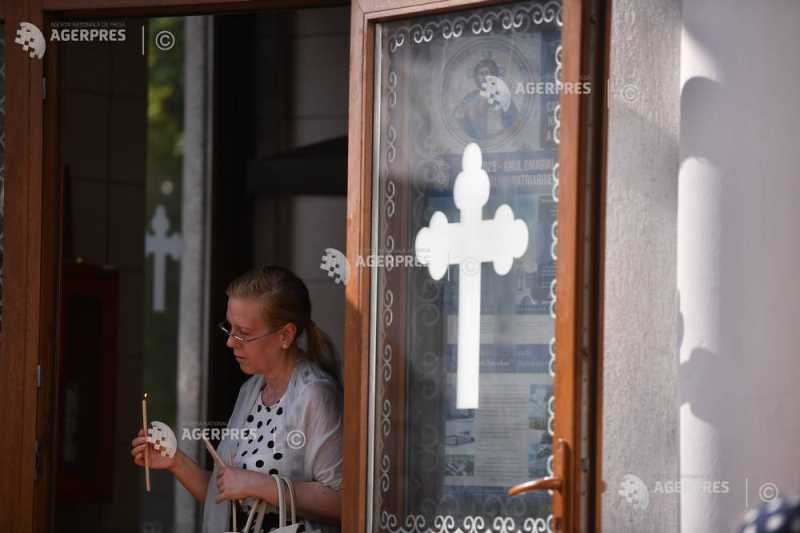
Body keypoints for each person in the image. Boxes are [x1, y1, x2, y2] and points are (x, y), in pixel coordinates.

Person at [131, 266, 343, 532]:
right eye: (229, 328)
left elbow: (343, 501)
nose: (231, 342)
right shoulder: (252, 389)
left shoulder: (315, 394)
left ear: (285, 335)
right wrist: (175, 460)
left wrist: (258, 485)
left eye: (243, 332)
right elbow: (227, 497)